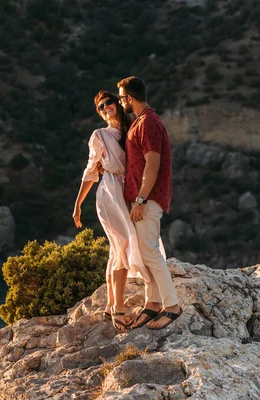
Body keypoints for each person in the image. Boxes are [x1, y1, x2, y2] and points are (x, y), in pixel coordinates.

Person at [72, 90, 151, 333]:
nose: (105, 108)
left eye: (108, 103)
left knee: (118, 247)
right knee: (124, 244)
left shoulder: (130, 130)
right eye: (100, 107)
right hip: (109, 192)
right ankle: (118, 309)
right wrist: (77, 205)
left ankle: (109, 305)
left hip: (127, 190)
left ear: (118, 103)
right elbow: (90, 171)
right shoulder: (99, 135)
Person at [117, 76, 182, 330]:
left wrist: (141, 199)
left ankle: (173, 307)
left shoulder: (149, 123)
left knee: (151, 253)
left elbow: (152, 164)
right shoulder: (142, 122)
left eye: (121, 97)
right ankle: (152, 303)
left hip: (148, 199)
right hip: (142, 199)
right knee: (146, 253)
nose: (121, 102)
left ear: (129, 98)